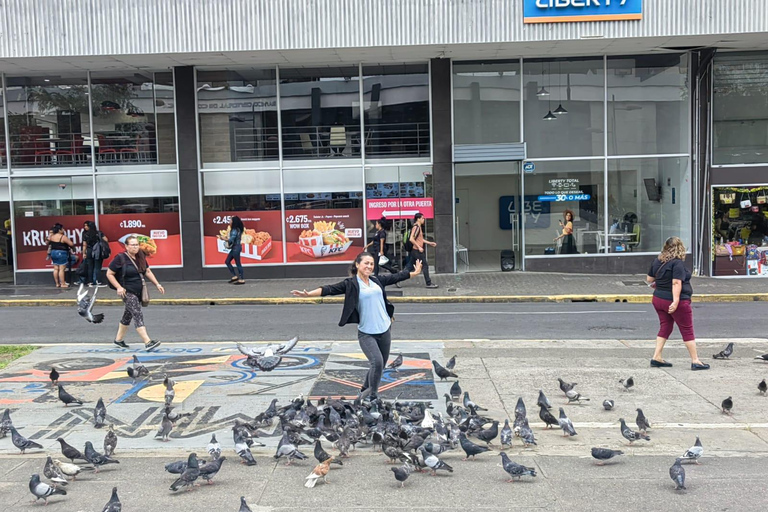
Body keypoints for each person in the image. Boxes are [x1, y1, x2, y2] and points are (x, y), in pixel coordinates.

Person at [290, 252, 423, 401]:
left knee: (379, 366)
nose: (369, 266)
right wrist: (308, 295)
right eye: (366, 263)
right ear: (357, 265)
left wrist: (414, 273)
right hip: (367, 333)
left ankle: (364, 391)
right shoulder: (351, 284)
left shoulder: (376, 280)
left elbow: (397, 277)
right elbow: (329, 289)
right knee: (377, 363)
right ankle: (372, 396)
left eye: (372, 264)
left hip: (385, 330)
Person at [646, 236, 709, 371]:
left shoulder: (658, 260)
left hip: (658, 299)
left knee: (665, 326)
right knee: (687, 329)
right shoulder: (677, 263)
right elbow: (676, 282)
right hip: (674, 301)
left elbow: (649, 278)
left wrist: (660, 281)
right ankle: (695, 360)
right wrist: (675, 301)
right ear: (680, 248)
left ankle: (656, 357)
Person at [106, 235, 164, 351]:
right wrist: (119, 287)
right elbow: (109, 274)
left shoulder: (140, 256)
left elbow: (147, 271)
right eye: (132, 245)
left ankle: (118, 340)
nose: (135, 247)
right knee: (137, 313)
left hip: (139, 291)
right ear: (126, 246)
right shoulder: (120, 258)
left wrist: (157, 284)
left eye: (137, 245)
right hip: (127, 292)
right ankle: (147, 342)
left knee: (128, 315)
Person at [408, 213, 438, 289]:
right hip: (417, 251)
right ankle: (428, 283)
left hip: (415, 250)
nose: (423, 220)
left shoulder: (418, 227)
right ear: (418, 219)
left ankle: (397, 278)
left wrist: (430, 243)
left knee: (408, 267)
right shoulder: (417, 227)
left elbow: (420, 239)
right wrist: (419, 247)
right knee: (425, 266)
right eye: (422, 218)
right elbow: (411, 239)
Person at [46, 223, 74, 288]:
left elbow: (47, 242)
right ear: (59, 230)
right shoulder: (63, 237)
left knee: (56, 268)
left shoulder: (52, 236)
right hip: (61, 253)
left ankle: (57, 283)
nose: (63, 230)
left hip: (53, 252)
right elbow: (71, 244)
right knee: (62, 269)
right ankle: (63, 283)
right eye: (62, 229)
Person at [82, 220, 109, 286]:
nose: (85, 227)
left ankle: (90, 282)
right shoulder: (99, 233)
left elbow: (84, 244)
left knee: (90, 267)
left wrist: (84, 253)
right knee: (97, 267)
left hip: (89, 251)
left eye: (86, 226)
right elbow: (106, 240)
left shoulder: (85, 234)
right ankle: (98, 281)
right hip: (97, 251)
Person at [219, 216, 244, 284]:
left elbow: (231, 239)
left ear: (234, 222)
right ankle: (235, 276)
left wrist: (223, 238)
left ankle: (241, 279)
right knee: (227, 261)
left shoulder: (234, 230)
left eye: (230, 221)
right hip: (236, 247)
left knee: (238, 263)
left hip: (235, 248)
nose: (229, 222)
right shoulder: (238, 229)